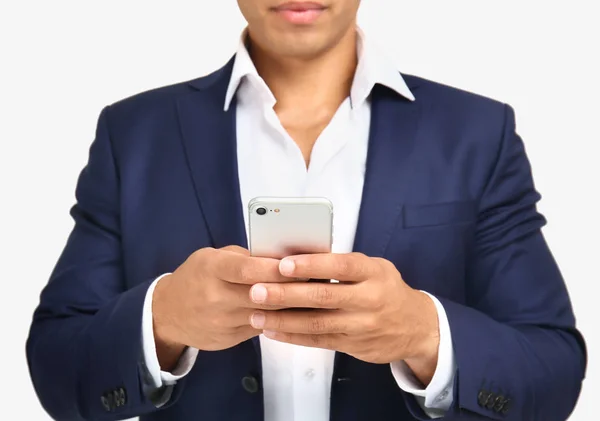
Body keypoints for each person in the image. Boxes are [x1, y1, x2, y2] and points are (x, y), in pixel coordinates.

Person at [27, 1, 586, 420]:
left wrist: (423, 335)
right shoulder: (134, 134)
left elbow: (554, 370)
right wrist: (162, 321)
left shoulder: (476, 133)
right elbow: (56, 367)